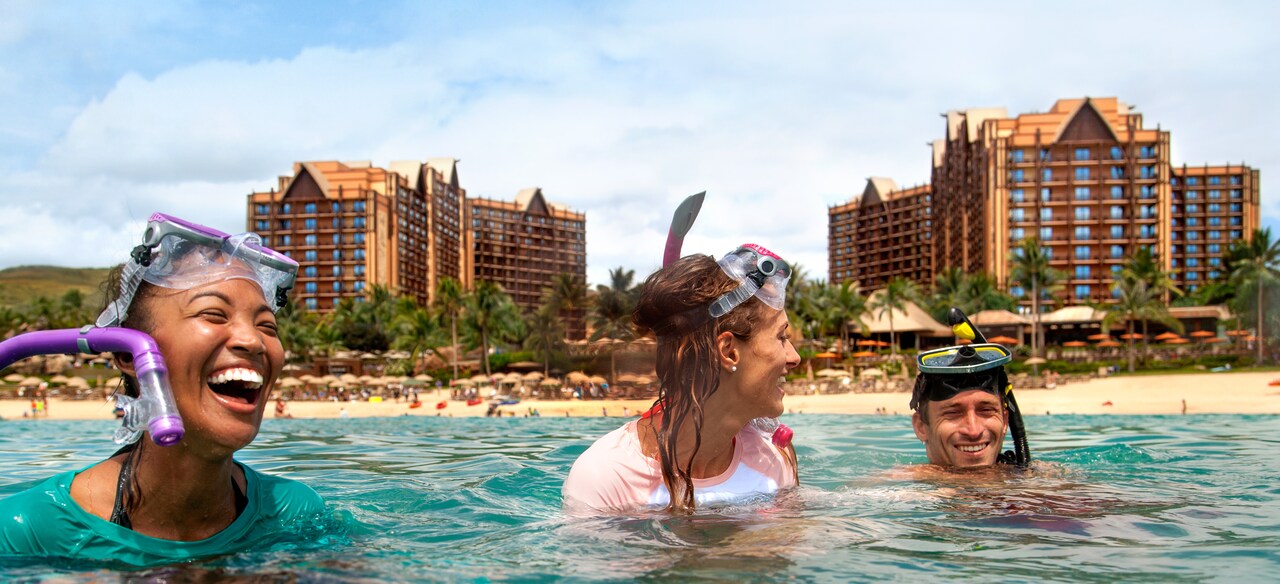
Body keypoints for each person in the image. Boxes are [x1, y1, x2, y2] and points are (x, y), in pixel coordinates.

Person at [0, 213, 325, 566]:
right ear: (127, 355)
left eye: (267, 325)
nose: (253, 340)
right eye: (214, 314)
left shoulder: (295, 515)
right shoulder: (27, 531)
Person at [563, 244, 801, 514]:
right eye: (782, 337)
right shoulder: (607, 478)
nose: (795, 358)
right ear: (729, 352)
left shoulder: (773, 460)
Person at [909, 308, 1030, 469]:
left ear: (1005, 421)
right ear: (921, 427)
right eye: (953, 413)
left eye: (986, 410)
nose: (973, 431)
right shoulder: (899, 489)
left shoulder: (1041, 479)